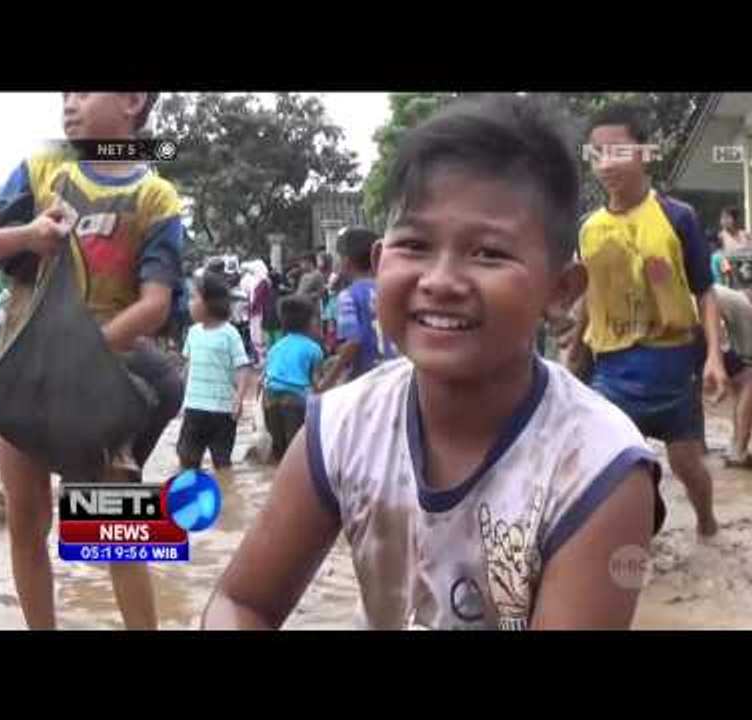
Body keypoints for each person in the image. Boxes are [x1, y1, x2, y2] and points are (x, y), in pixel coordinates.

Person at [203, 95, 660, 631]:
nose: (440, 281)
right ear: (378, 268)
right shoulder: (340, 427)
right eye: (415, 245)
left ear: (561, 290)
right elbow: (242, 602)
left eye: (489, 253)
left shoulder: (600, 470)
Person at [0, 91, 185, 631]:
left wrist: (80, 358)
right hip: (24, 378)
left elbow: (153, 306)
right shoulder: (41, 169)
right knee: (27, 524)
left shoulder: (156, 196)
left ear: (132, 102)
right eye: (64, 95)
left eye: (83, 92)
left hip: (101, 387)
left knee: (120, 534)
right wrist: (29, 235)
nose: (69, 104)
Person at [564, 102, 726, 538]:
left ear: (645, 153)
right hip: (613, 369)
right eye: (596, 153)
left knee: (688, 465)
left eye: (617, 150)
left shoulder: (678, 217)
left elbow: (704, 292)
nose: (606, 163)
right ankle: (634, 534)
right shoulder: (588, 228)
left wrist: (713, 356)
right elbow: (587, 294)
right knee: (613, 467)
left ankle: (707, 524)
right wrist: (574, 351)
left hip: (674, 366)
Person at [177, 272, 251, 471]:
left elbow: (242, 368)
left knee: (222, 463)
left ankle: (224, 497)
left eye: (194, 298)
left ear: (210, 303)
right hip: (194, 408)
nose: (189, 303)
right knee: (187, 459)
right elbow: (188, 367)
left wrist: (239, 398)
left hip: (223, 411)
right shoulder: (192, 333)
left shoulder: (230, 333)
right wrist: (180, 399)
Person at [318, 227, 399, 390]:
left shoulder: (349, 296)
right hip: (397, 377)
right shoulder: (392, 291)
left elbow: (353, 342)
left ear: (346, 262)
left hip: (367, 379)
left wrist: (328, 381)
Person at [713, 279, 752, 468]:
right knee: (748, 383)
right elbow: (747, 357)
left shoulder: (726, 294)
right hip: (699, 331)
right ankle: (740, 450)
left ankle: (720, 447)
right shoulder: (744, 305)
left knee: (738, 385)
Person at [262, 295, 324, 462]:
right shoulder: (314, 348)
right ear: (309, 323)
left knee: (279, 451)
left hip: (269, 398)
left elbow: (265, 376)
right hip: (295, 400)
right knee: (297, 452)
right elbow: (316, 384)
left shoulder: (275, 347)